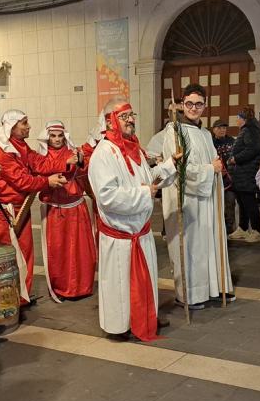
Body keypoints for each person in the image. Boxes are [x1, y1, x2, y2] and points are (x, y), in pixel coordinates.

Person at [88, 96, 179, 341]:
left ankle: (145, 315)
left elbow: (148, 178)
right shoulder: (103, 154)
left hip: (141, 233)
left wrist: (171, 165)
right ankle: (120, 325)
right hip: (121, 238)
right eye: (124, 116)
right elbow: (106, 197)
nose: (130, 120)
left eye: (131, 115)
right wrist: (143, 192)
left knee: (145, 279)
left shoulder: (132, 148)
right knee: (120, 285)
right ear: (109, 121)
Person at [148, 84, 234, 310]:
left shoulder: (206, 134)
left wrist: (216, 167)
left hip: (207, 200)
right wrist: (210, 169)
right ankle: (189, 295)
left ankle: (211, 289)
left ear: (205, 106)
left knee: (207, 245)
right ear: (181, 105)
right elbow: (179, 169)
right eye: (189, 104)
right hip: (185, 200)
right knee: (190, 248)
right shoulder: (174, 132)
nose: (194, 108)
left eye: (198, 104)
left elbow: (214, 163)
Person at [0, 109, 69, 303]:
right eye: (24, 123)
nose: (29, 126)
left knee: (25, 254)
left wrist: (66, 161)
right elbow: (22, 181)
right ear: (12, 127)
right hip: (4, 213)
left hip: (19, 207)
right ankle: (10, 301)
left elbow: (39, 163)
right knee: (11, 257)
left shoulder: (19, 145)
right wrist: (48, 182)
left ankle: (20, 298)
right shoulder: (1, 151)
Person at [36, 120, 96, 301]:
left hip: (77, 208)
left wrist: (81, 162)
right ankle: (62, 287)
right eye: (53, 136)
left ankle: (82, 287)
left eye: (60, 135)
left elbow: (85, 174)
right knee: (59, 252)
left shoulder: (73, 152)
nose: (56, 139)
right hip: (56, 212)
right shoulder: (42, 157)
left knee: (81, 252)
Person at [228, 107, 260, 242]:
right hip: (241, 172)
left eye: (238, 118)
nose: (236, 120)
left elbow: (253, 149)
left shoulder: (250, 130)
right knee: (242, 202)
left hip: (247, 172)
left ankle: (257, 230)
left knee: (249, 201)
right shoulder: (247, 130)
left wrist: (236, 158)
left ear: (243, 119)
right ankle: (242, 228)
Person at [211, 118, 236, 234]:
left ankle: (229, 229)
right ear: (213, 129)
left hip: (229, 178)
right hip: (214, 178)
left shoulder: (232, 140)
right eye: (219, 128)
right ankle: (217, 228)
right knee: (215, 205)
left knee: (230, 203)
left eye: (224, 128)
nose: (222, 130)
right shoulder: (210, 142)